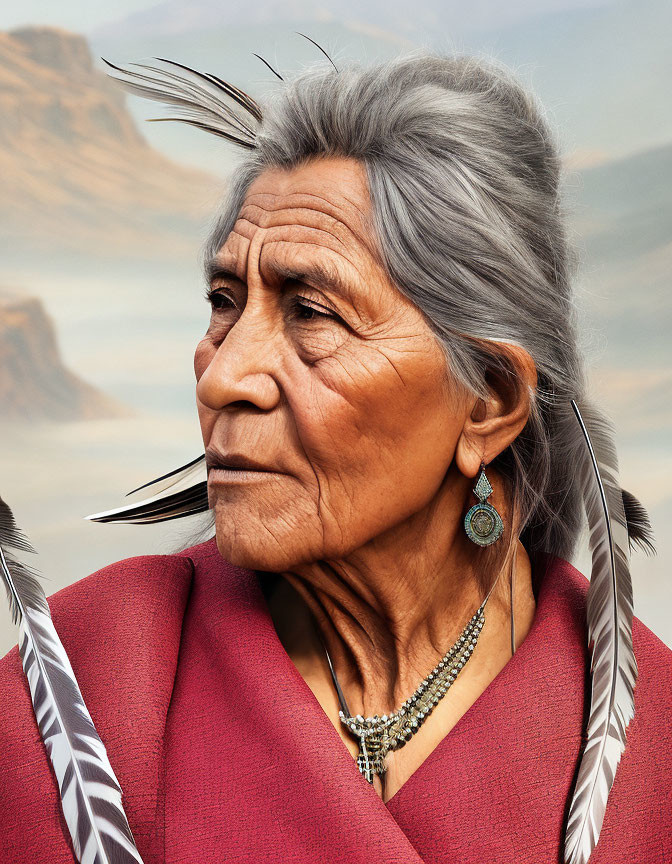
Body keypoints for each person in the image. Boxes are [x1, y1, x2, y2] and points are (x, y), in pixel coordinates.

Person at [1, 49, 671, 864]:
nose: (224, 375)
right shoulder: (80, 687)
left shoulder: (650, 756)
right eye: (224, 302)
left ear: (489, 400)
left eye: (311, 312)